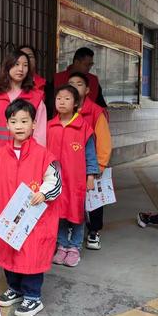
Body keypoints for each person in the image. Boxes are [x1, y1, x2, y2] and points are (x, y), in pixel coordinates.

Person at [0, 99, 61, 316]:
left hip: (34, 218)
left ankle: (33, 296)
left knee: (31, 255)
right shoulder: (1, 153)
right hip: (8, 216)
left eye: (24, 121)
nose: (19, 126)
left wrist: (43, 192)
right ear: (7, 125)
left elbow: (55, 181)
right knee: (9, 252)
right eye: (14, 121)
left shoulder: (44, 155)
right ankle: (15, 288)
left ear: (34, 124)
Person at [47, 85, 99, 267]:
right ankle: (62, 245)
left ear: (76, 103)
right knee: (59, 213)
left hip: (76, 181)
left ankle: (74, 247)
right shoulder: (49, 126)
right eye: (59, 98)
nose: (62, 101)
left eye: (67, 98)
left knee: (76, 214)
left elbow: (91, 155)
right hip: (55, 181)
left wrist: (91, 176)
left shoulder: (84, 127)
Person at [0, 50, 47, 168]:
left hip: (26, 159)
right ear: (7, 66)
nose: (21, 69)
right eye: (16, 64)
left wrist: (37, 158)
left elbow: (40, 134)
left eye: (25, 65)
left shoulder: (36, 98)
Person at [68, 72, 112, 250]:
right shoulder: (63, 109)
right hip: (70, 166)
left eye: (79, 84)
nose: (74, 86)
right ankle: (71, 227)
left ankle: (94, 231)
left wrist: (99, 165)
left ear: (87, 90)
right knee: (71, 199)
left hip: (90, 166)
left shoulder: (95, 112)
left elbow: (104, 140)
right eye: (71, 83)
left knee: (93, 201)